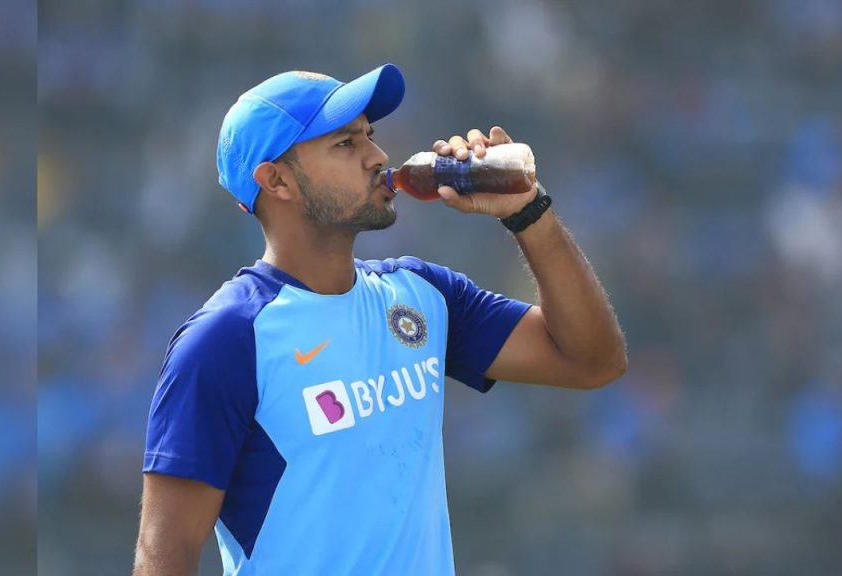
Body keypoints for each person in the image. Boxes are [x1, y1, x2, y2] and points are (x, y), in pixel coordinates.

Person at [133, 63, 627, 576]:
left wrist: (528, 213)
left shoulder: (423, 293)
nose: (379, 156)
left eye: (370, 135)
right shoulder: (227, 339)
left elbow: (593, 361)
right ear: (275, 179)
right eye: (345, 144)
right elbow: (163, 555)